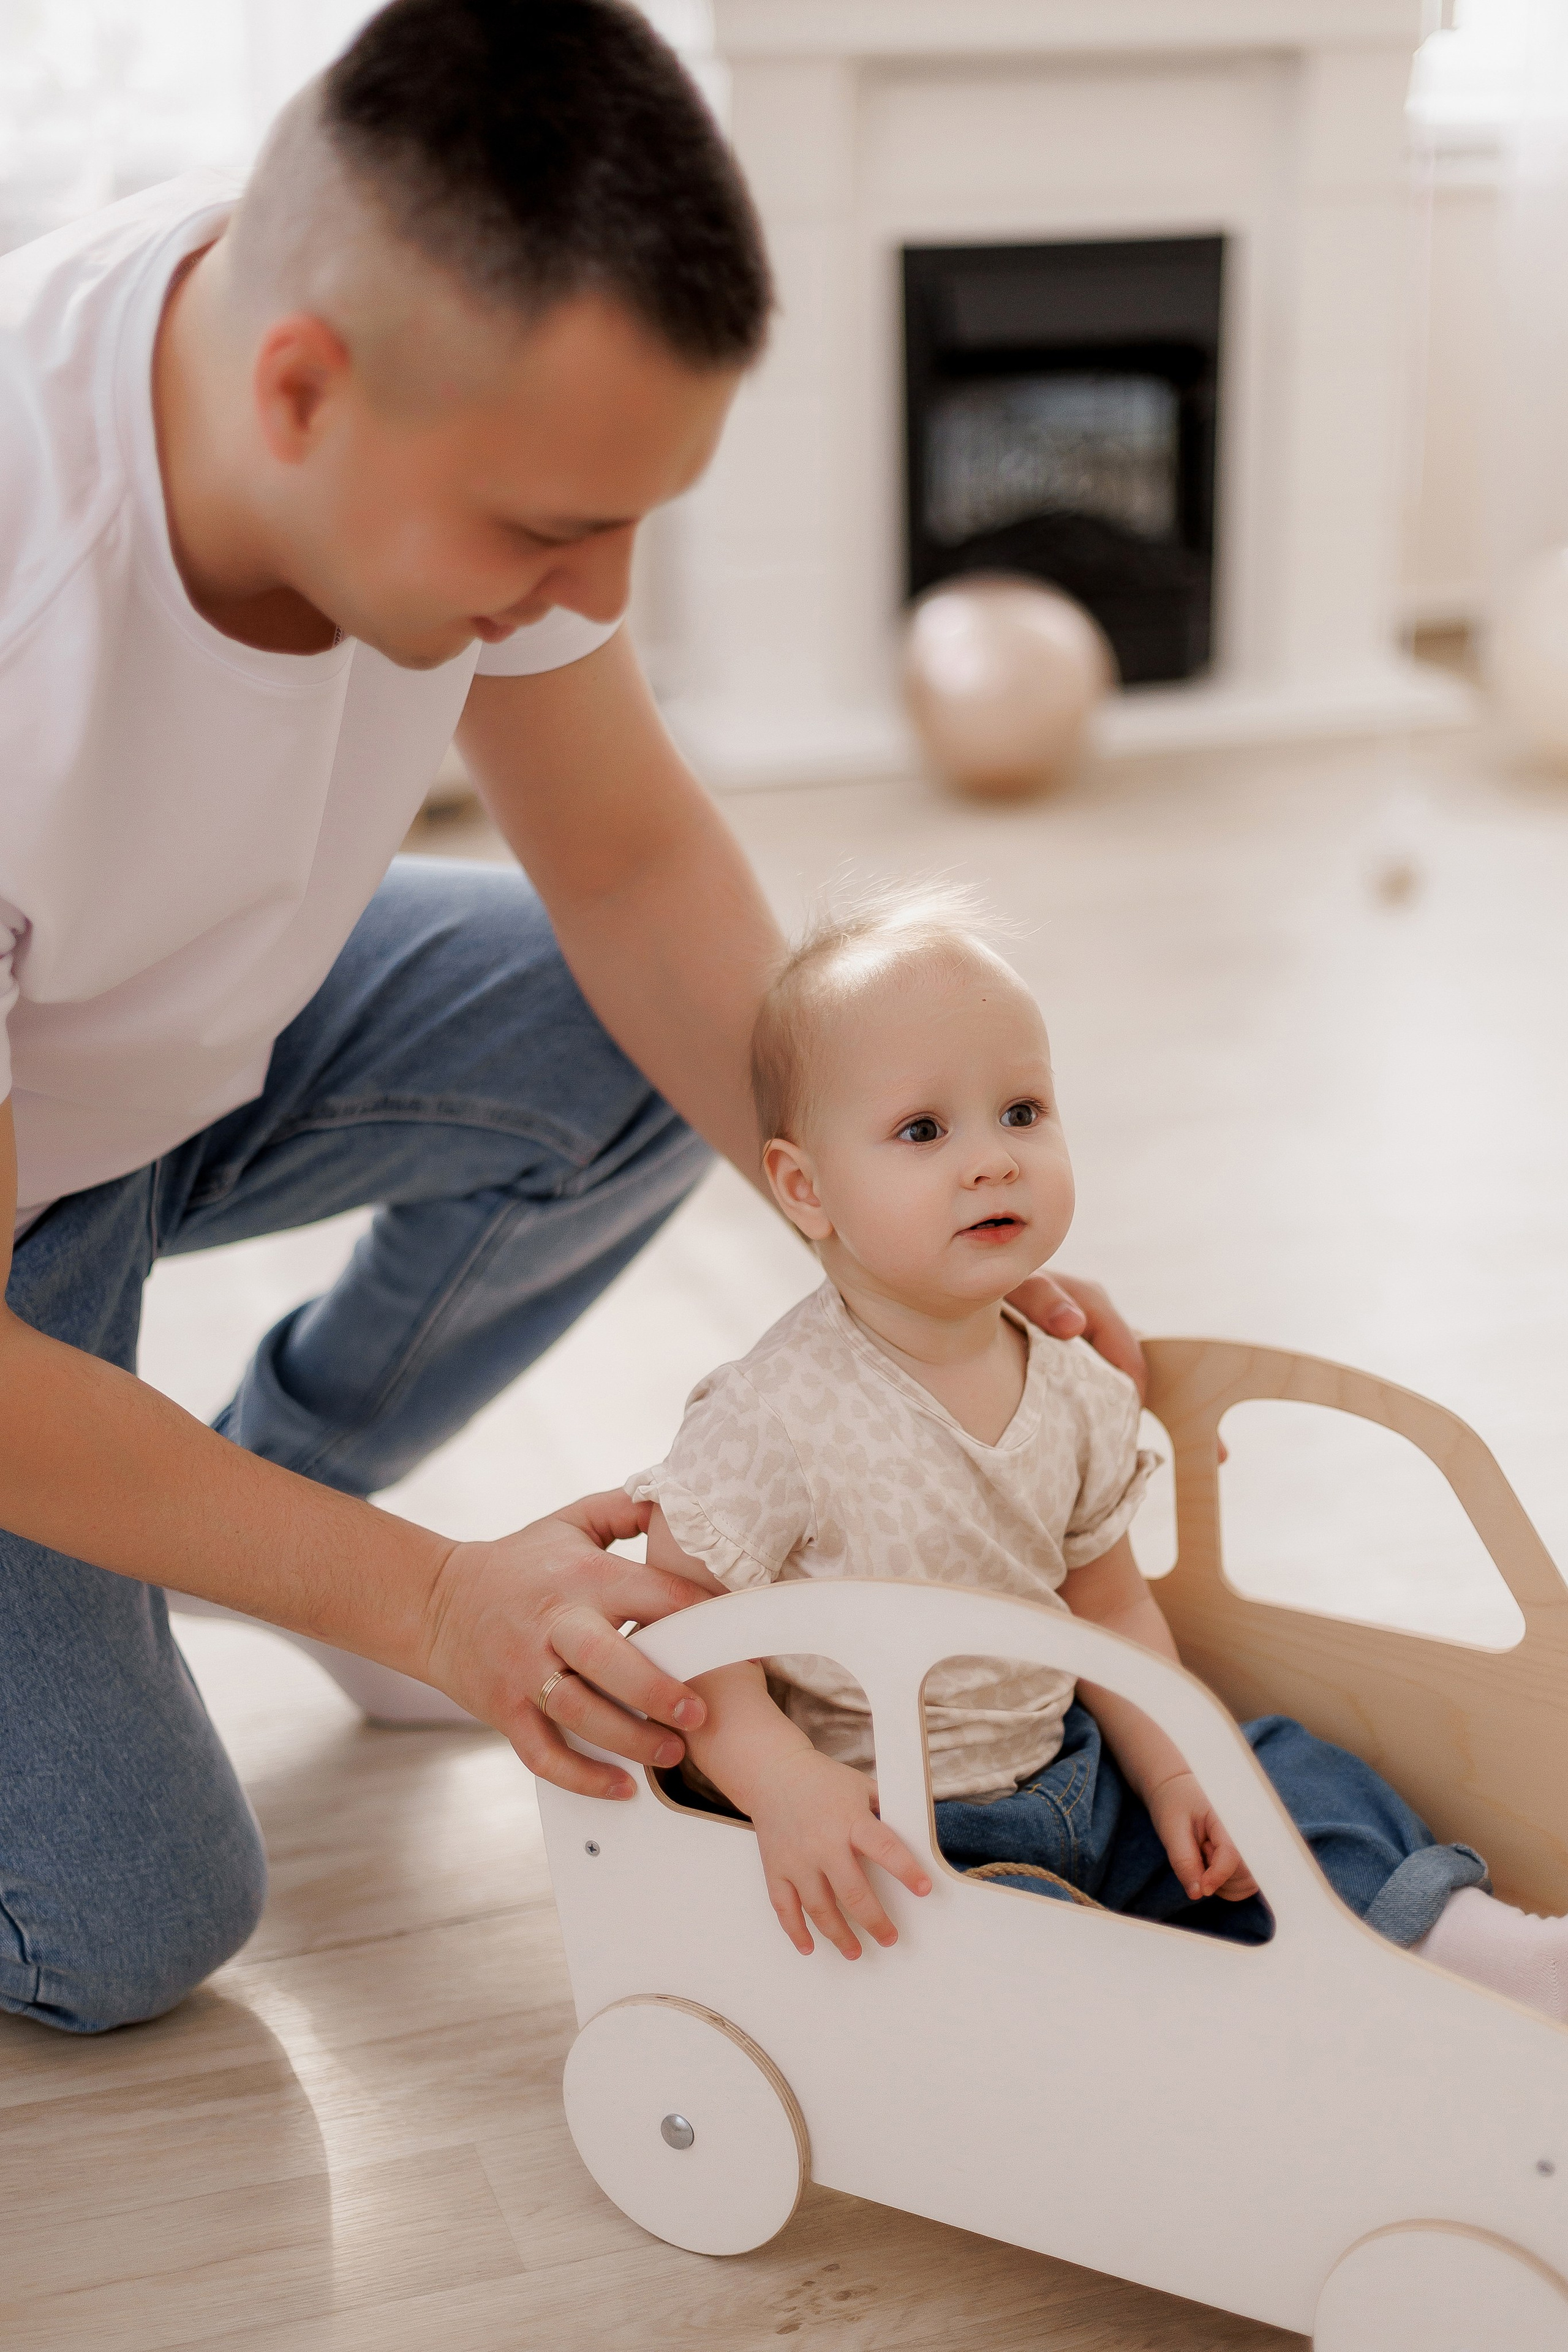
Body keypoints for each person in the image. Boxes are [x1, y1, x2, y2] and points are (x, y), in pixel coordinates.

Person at [0, 1, 1137, 2035]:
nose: (590, 592)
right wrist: (438, 1598)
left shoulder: (433, 356)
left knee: (711, 1032)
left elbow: (625, 873)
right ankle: (307, 1565)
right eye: (545, 534)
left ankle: (273, 1503)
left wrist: (912, 1243)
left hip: (149, 1035)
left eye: (634, 522)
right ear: (297, 395)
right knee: (133, 1927)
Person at [629, 889, 1568, 2021]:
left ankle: (1490, 1959)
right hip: (900, 1827)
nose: (992, 1162)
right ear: (803, 1188)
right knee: (1019, 1953)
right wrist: (784, 1786)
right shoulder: (774, 1413)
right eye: (925, 1132)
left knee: (1283, 1774)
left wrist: (1181, 1773)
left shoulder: (1074, 1383)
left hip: (1079, 1770)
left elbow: (1111, 1610)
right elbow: (684, 1624)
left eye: (1022, 1111)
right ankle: (1218, 2044)